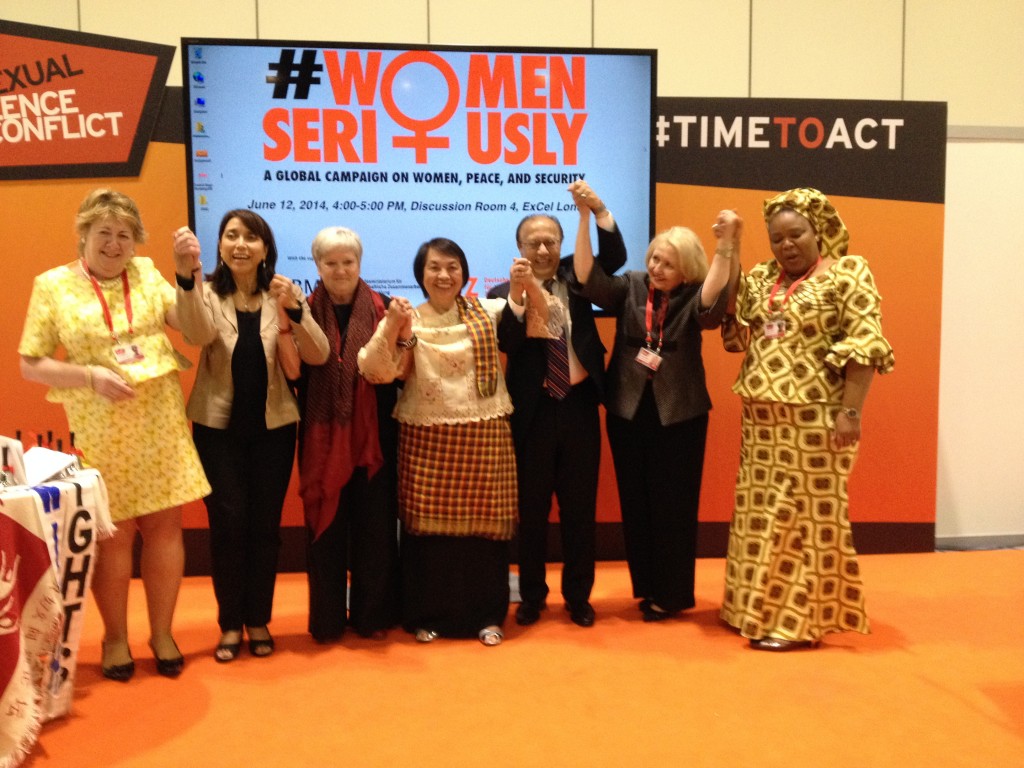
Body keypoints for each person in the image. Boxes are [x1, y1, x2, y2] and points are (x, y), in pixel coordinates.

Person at [18, 189, 210, 680]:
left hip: (158, 422)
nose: (114, 243)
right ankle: (117, 638)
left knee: (166, 531)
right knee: (115, 537)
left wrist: (189, 276)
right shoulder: (53, 285)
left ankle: (163, 633)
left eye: (125, 234)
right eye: (103, 232)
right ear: (84, 234)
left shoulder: (147, 274)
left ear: (136, 240)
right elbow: (30, 363)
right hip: (100, 426)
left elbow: (197, 331)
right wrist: (89, 377)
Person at [718, 187, 894, 651]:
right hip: (761, 423)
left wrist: (850, 413)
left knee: (799, 517)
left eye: (796, 234)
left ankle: (791, 623)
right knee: (759, 515)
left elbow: (865, 348)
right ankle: (751, 608)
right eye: (777, 238)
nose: (787, 245)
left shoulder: (847, 274)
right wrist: (731, 245)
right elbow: (736, 323)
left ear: (819, 231)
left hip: (817, 422)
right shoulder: (763, 277)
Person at [573, 189, 740, 622]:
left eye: (667, 263)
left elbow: (714, 297)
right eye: (653, 259)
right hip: (628, 411)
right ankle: (646, 586)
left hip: (679, 414)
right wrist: (585, 219)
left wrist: (726, 246)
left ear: (687, 268)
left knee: (674, 505)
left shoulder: (696, 297)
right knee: (637, 502)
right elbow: (589, 276)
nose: (656, 268)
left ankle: (672, 594)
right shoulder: (630, 286)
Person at [172, 210, 329, 662]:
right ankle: (228, 624)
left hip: (273, 430)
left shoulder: (282, 294)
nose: (240, 244)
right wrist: (185, 280)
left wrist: (296, 310)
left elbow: (318, 354)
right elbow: (196, 333)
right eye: (231, 236)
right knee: (227, 523)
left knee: (264, 528)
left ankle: (258, 618)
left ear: (266, 249)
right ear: (219, 246)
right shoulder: (203, 294)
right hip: (217, 431)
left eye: (251, 238)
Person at [358, 238, 518, 646]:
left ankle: (487, 615)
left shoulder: (489, 310)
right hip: (426, 435)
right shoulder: (409, 318)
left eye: (452, 267)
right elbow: (375, 370)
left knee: (484, 536)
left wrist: (524, 283)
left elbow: (534, 319)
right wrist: (394, 326)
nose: (444, 275)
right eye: (434, 267)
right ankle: (426, 615)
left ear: (464, 273)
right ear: (421, 274)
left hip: (484, 435)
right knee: (428, 536)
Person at [487, 181, 625, 628]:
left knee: (579, 510)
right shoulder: (501, 292)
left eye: (551, 241)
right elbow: (507, 341)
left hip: (580, 406)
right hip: (533, 410)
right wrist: (520, 295)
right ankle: (531, 596)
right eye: (534, 242)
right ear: (519, 247)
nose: (543, 248)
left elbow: (616, 258)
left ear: (562, 246)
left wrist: (597, 209)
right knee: (531, 511)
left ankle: (578, 598)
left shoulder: (579, 278)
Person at [297, 226, 400, 643]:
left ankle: (371, 617)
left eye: (348, 262)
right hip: (322, 438)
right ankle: (326, 620)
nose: (340, 270)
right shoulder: (299, 311)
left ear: (360, 263)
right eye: (330, 262)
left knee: (375, 531)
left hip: (376, 435)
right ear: (317, 265)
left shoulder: (386, 309)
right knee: (325, 526)